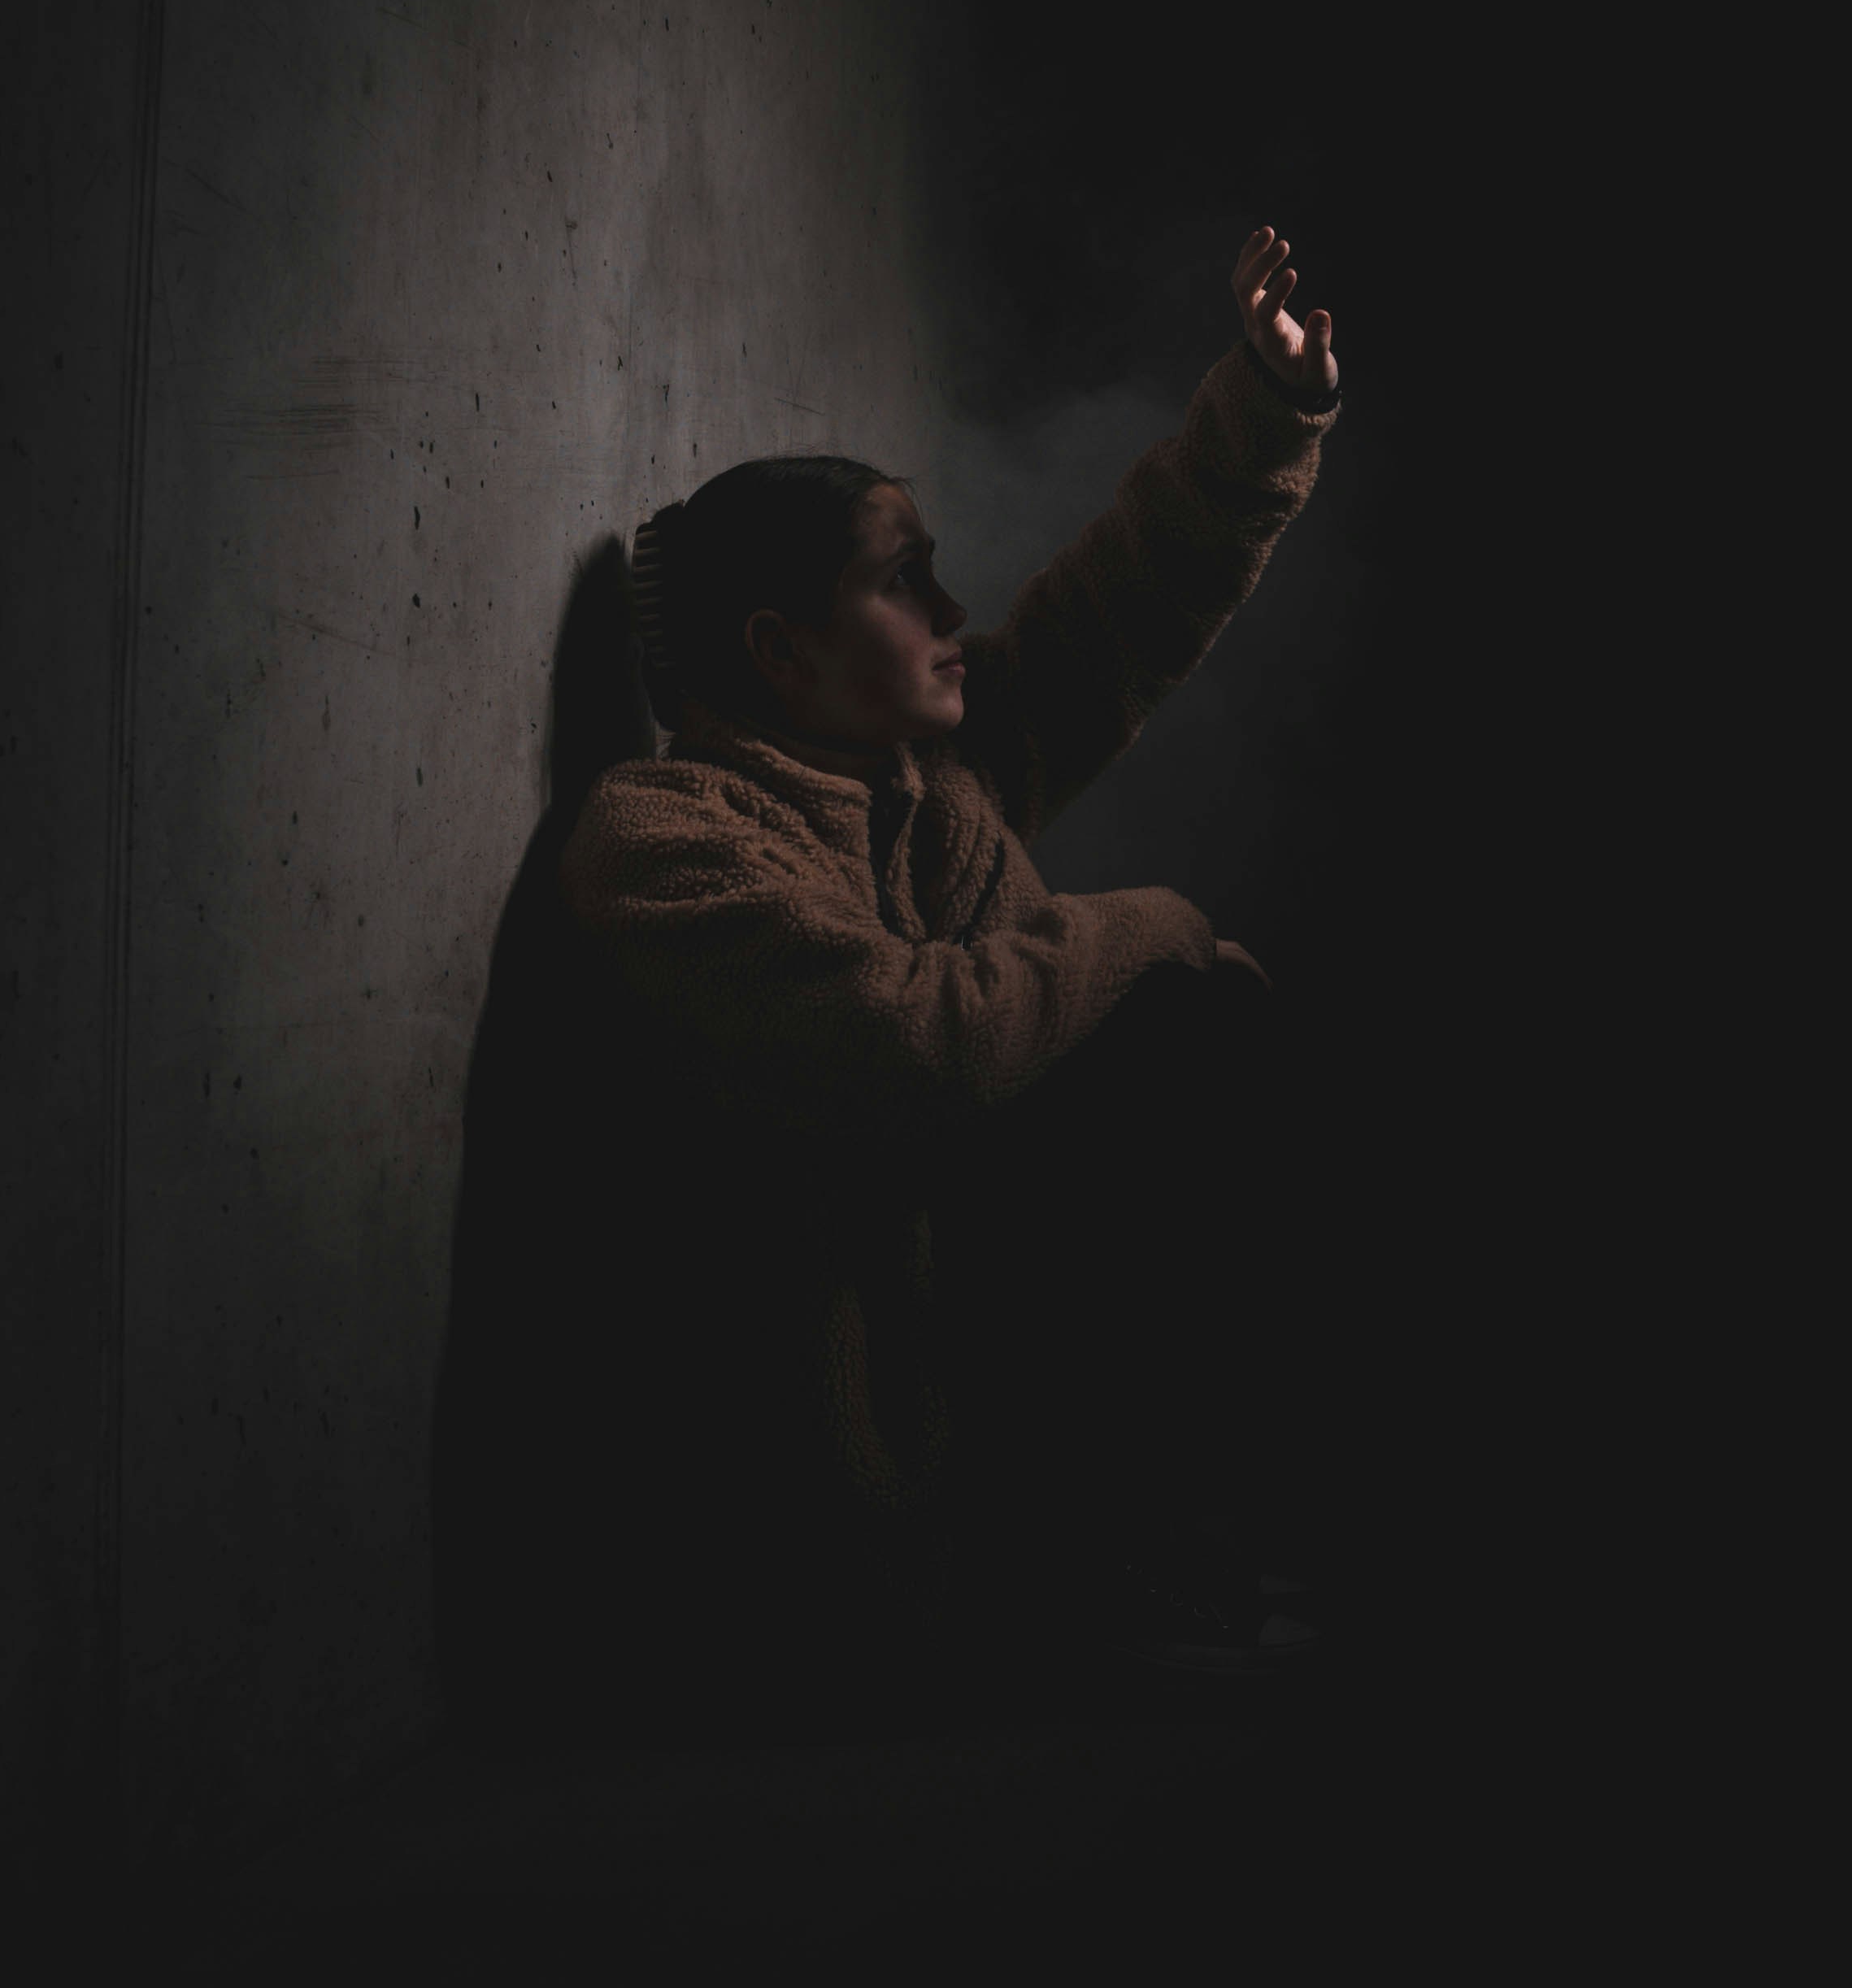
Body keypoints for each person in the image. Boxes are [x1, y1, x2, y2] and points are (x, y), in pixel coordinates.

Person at [437, 225, 1344, 1747]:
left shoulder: (936, 780)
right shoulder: (660, 839)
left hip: (967, 1422)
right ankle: (1073, 1587)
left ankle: (1173, 1556)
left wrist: (1267, 400)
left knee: (1197, 1031)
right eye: (901, 575)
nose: (945, 603)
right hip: (783, 1534)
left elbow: (1123, 603)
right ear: (779, 651)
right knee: (1163, 998)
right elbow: (909, 1043)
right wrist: (1159, 924)